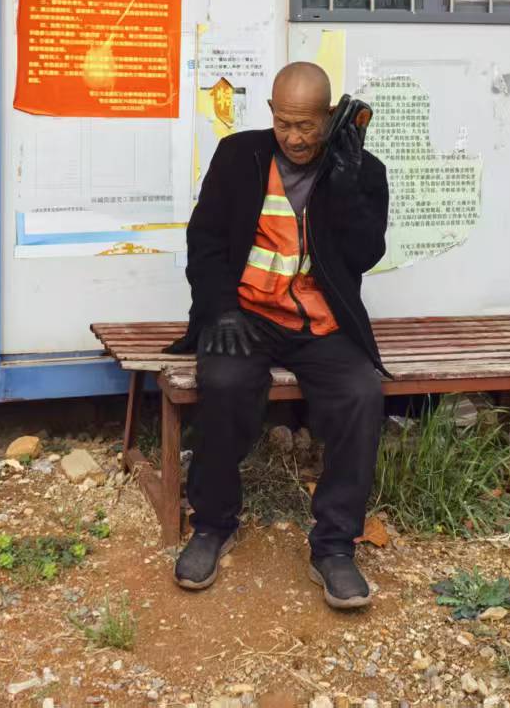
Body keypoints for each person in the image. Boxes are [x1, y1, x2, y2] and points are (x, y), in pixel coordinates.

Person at [167, 61, 390, 609]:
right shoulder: (238, 156)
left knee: (361, 393)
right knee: (223, 384)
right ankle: (213, 524)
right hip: (247, 315)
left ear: (330, 117)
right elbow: (205, 241)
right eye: (284, 123)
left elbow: (364, 255)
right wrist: (220, 310)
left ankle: (334, 546)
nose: (295, 137)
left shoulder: (364, 170)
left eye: (307, 125)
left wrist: (347, 187)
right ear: (271, 113)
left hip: (320, 321)